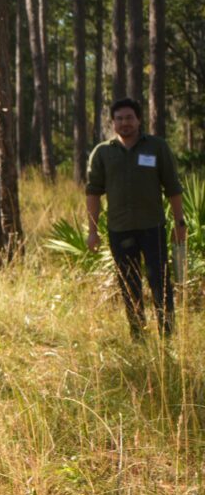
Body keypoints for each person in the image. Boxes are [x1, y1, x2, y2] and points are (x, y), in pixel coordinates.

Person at [86, 98, 186, 338]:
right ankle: (138, 336)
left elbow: (172, 187)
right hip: (119, 230)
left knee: (160, 283)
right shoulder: (102, 152)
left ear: (139, 119)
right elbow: (93, 193)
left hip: (153, 227)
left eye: (129, 118)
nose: (124, 123)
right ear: (113, 123)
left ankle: (167, 337)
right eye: (119, 119)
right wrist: (92, 231)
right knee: (129, 285)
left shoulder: (156, 147)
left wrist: (179, 222)